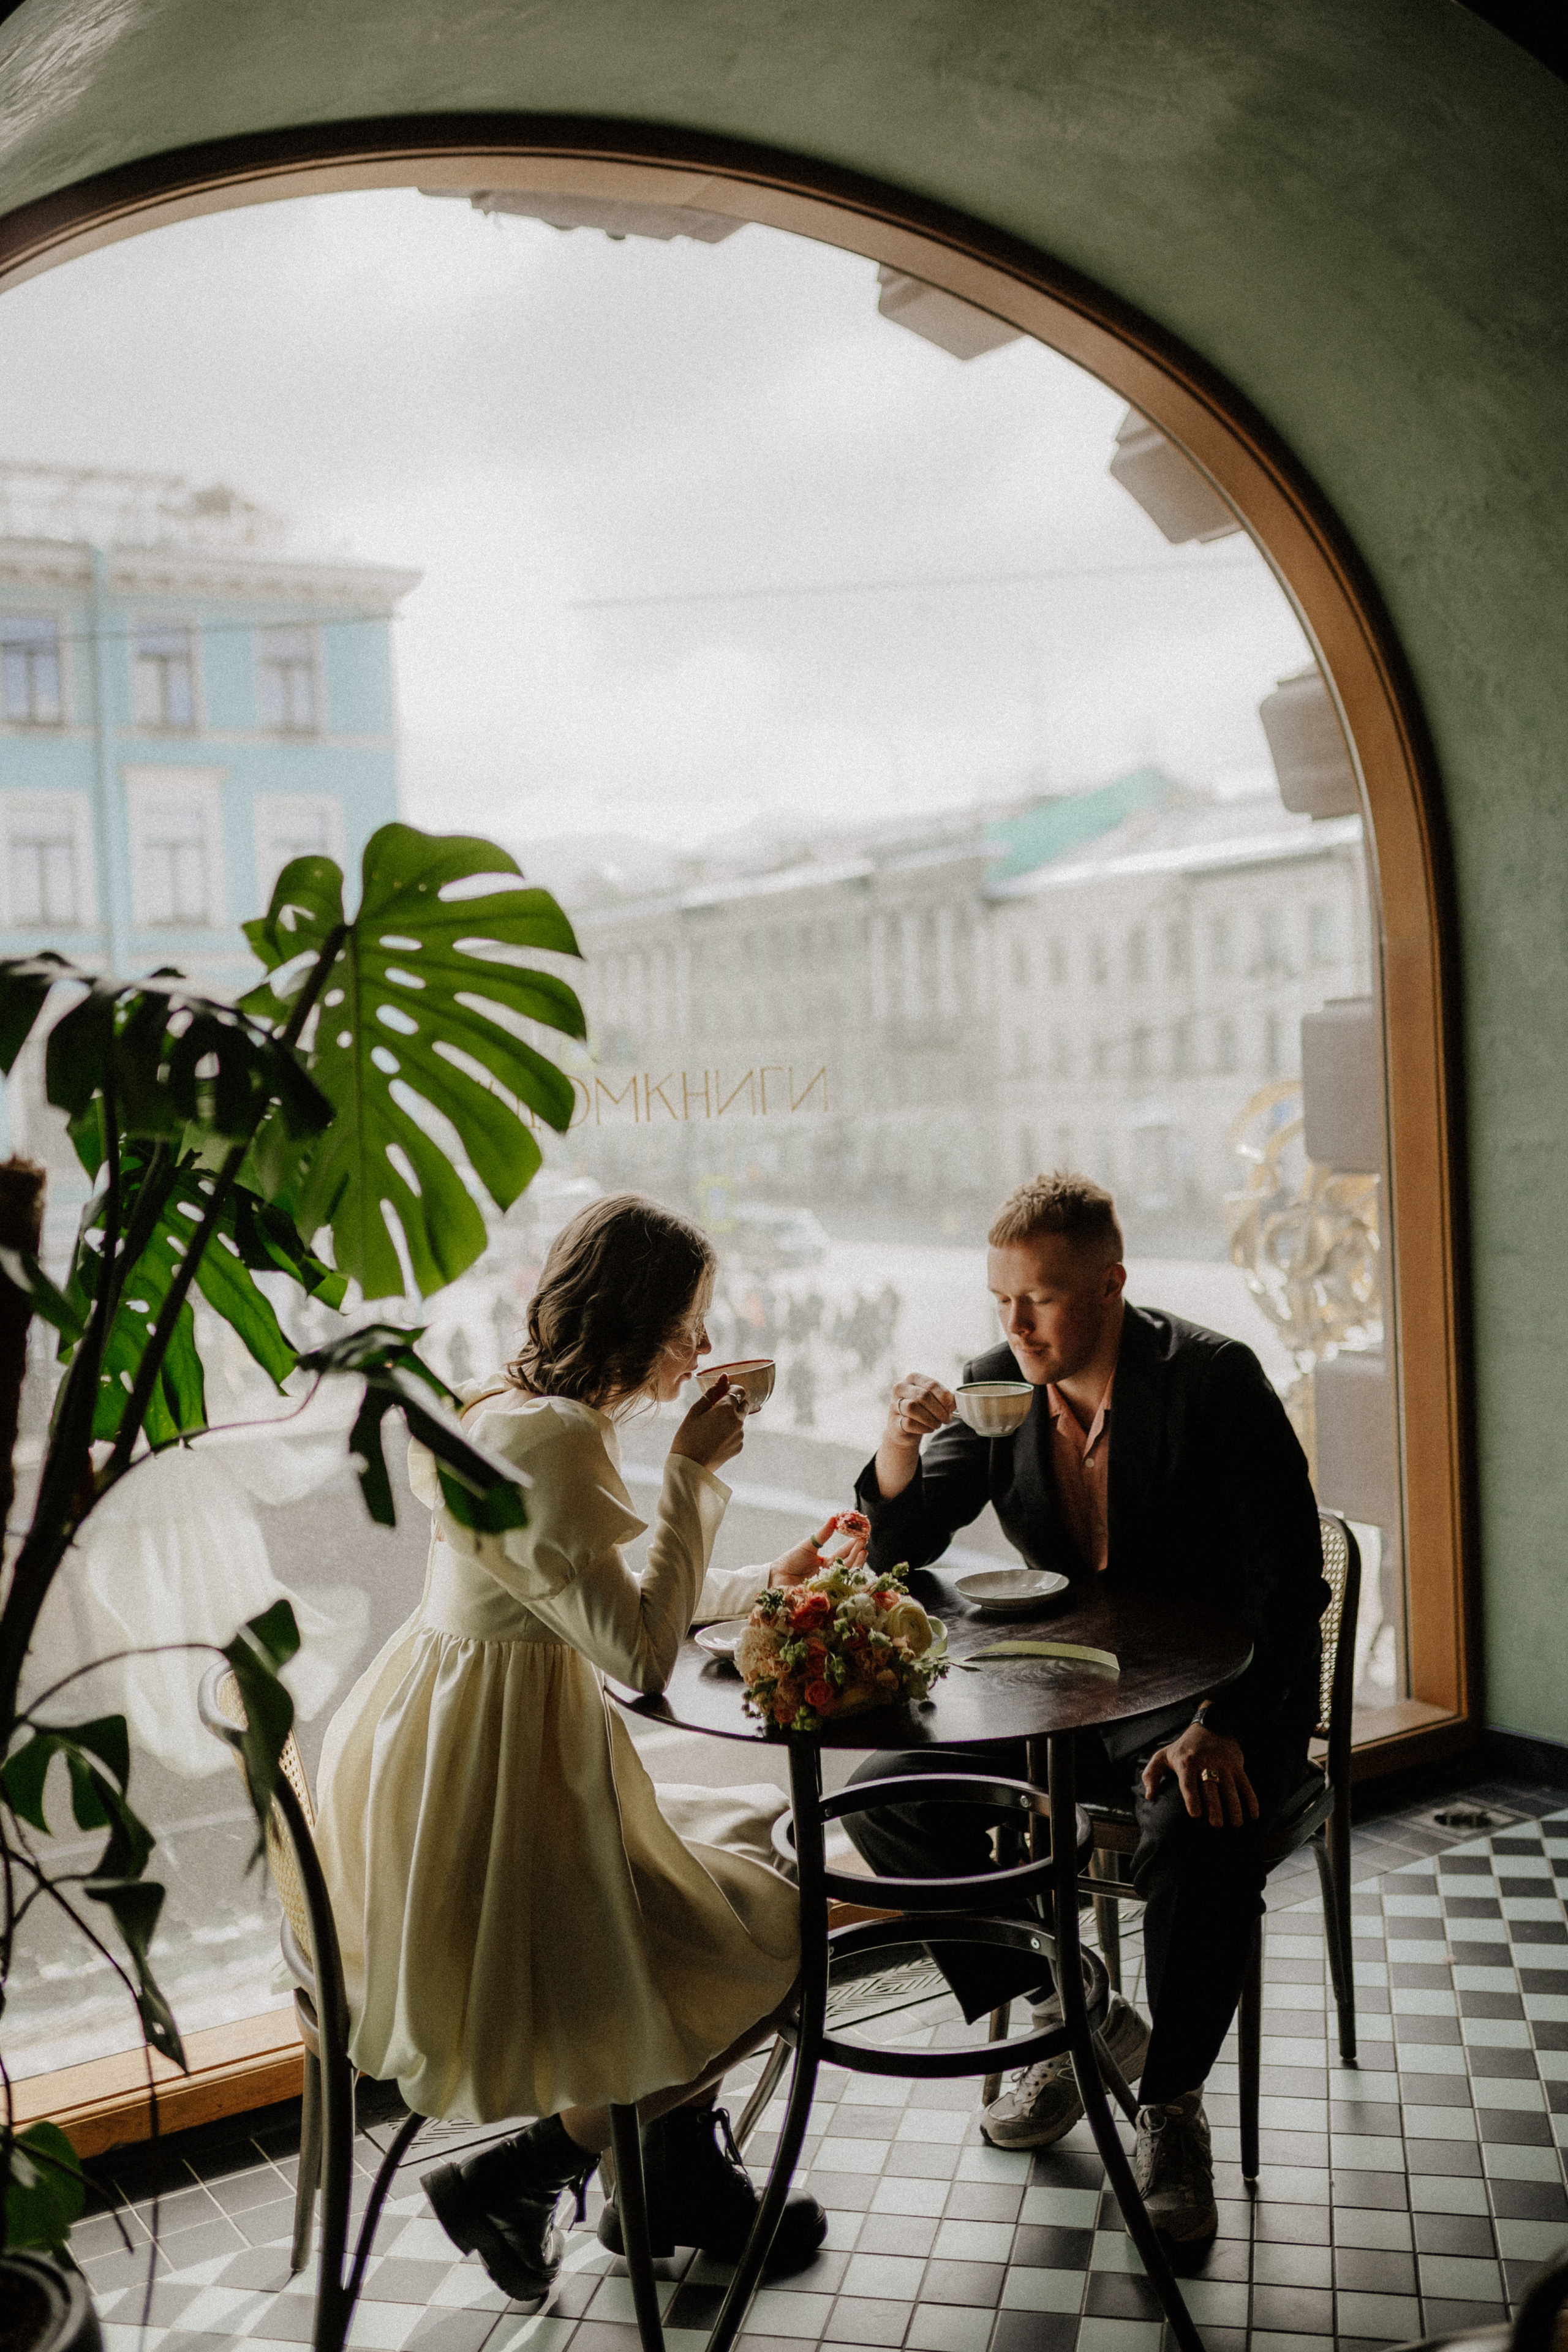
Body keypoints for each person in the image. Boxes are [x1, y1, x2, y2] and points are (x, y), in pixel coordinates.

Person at [315, 1194, 845, 2302]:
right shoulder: (553, 1441)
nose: (704, 1347)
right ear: (635, 1319)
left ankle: (653, 2182)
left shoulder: (517, 1413)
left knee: (738, 1859)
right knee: (777, 1924)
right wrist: (695, 1472)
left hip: (465, 1760)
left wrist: (775, 1575)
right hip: (496, 1802)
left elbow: (603, 1606)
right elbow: (642, 1653)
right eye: (691, 1322)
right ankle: (529, 2168)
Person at [845, 1172, 1327, 2246]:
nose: (1015, 1325)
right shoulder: (997, 1384)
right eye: (1000, 1299)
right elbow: (901, 1544)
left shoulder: (1212, 1380)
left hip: (1210, 1692)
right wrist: (897, 1448)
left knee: (1193, 1826)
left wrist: (1228, 1724)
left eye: (1042, 1299)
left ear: (1112, 1283)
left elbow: (1292, 1582)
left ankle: (1170, 2106)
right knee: (886, 1803)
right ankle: (1077, 2019)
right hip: (1068, 1688)